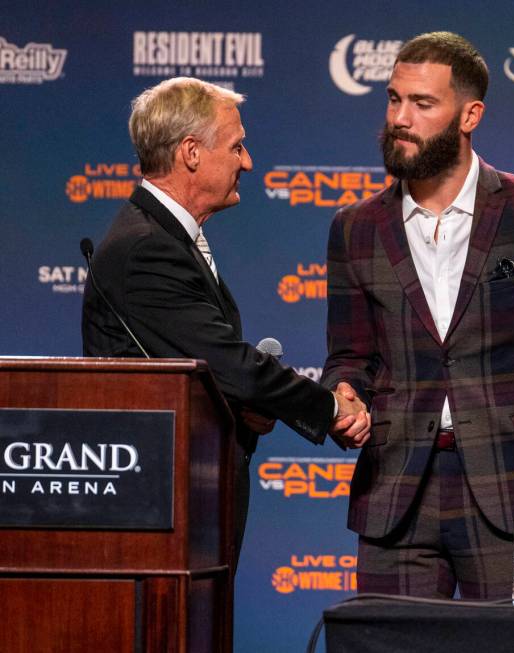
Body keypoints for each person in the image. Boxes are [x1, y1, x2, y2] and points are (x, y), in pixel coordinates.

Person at [321, 32, 514, 599]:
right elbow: (350, 356)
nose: (400, 119)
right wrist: (344, 393)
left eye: (422, 104)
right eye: (393, 99)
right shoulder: (355, 228)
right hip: (395, 495)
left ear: (470, 115)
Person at [82, 77, 369, 558]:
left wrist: (240, 407)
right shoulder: (148, 248)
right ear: (191, 152)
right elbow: (229, 365)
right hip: (160, 511)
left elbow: (194, 368)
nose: (248, 161)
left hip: (182, 504)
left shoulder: (164, 236)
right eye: (237, 146)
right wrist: (333, 409)